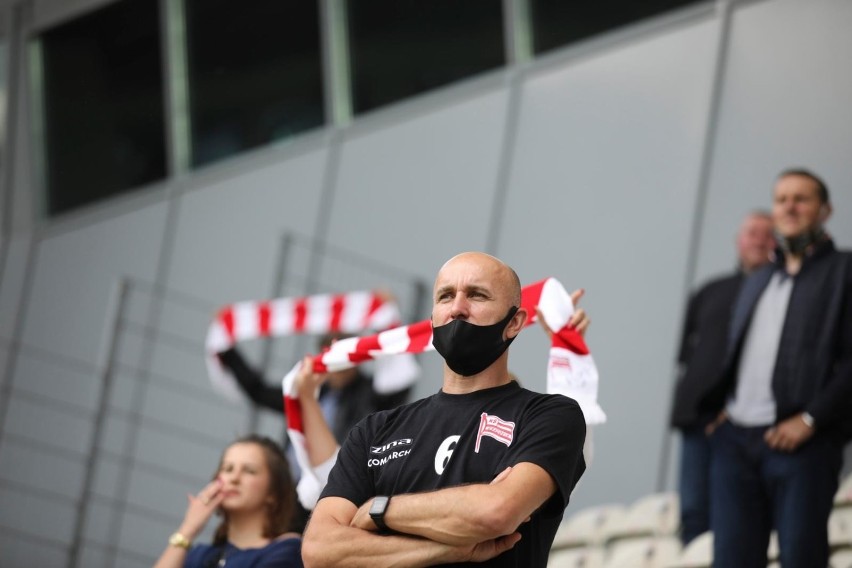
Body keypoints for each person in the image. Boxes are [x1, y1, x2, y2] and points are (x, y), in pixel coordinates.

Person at [301, 252, 587, 567]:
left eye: (477, 295)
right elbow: (320, 551)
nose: (457, 308)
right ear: (434, 316)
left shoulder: (549, 415)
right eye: (445, 296)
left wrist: (376, 510)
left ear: (514, 323)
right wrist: (447, 548)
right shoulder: (373, 431)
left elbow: (496, 512)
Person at [701, 169, 852, 568]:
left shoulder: (844, 270)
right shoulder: (759, 277)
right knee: (732, 560)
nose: (790, 206)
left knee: (802, 556)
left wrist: (810, 418)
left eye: (801, 198)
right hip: (735, 444)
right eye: (782, 199)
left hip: (803, 444)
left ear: (825, 210)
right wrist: (721, 414)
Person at [668, 211, 774, 545]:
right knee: (694, 512)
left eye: (766, 234)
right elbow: (688, 355)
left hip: (747, 421)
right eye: (751, 233)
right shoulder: (709, 290)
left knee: (741, 517)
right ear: (739, 241)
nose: (758, 240)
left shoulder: (781, 292)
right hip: (697, 417)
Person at [153, 435, 303, 568]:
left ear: (273, 492)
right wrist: (187, 531)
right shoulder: (198, 555)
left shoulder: (287, 550)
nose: (234, 478)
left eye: (249, 471)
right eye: (228, 469)